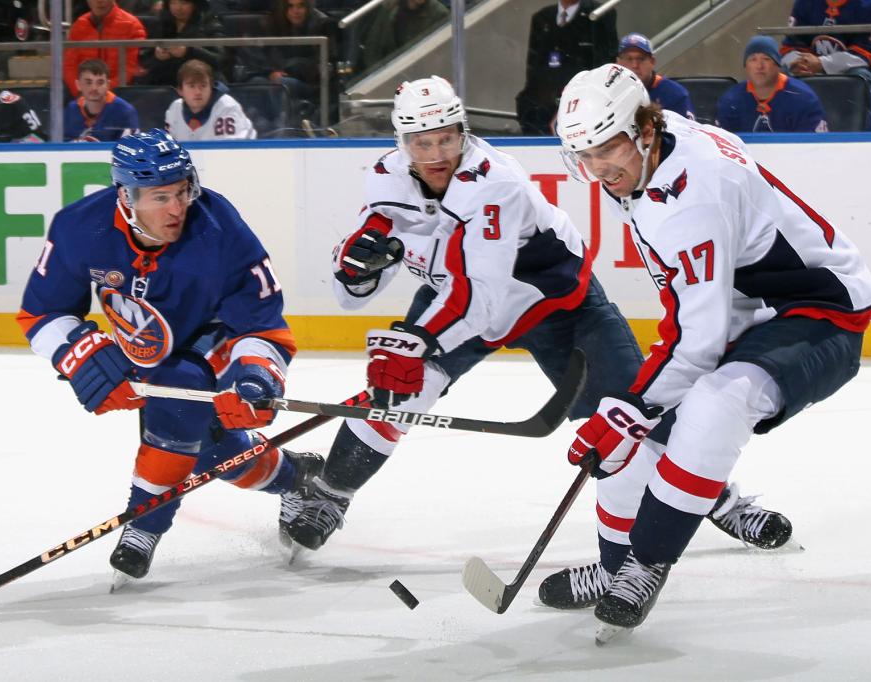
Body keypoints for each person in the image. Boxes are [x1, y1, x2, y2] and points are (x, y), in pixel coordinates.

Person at [281, 76, 795, 570]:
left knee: (634, 413)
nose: (436, 155)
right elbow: (356, 292)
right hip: (457, 300)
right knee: (394, 393)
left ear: (464, 132)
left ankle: (719, 501)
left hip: (558, 308)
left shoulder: (495, 183)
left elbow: (484, 299)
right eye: (421, 143)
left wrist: (417, 341)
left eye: (446, 138)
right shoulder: (385, 177)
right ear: (402, 144)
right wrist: (352, 269)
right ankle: (329, 493)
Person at [550, 63, 871, 642]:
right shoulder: (658, 145)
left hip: (819, 311)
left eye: (607, 147)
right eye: (584, 153)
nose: (598, 167)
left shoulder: (691, 194)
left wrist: (630, 409)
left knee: (710, 404)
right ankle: (613, 568)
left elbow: (698, 340)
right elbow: (696, 318)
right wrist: (634, 413)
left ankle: (646, 563)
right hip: (748, 308)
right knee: (635, 437)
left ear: (643, 131)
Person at [16, 128, 322, 582]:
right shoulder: (82, 228)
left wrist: (255, 378)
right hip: (147, 352)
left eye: (182, 192)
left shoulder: (219, 229)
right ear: (127, 195)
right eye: (161, 197)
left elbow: (263, 324)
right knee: (210, 455)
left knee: (179, 402)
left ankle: (144, 525)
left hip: (213, 337)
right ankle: (293, 475)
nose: (178, 208)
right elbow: (42, 312)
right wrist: (80, 354)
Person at [515, 0, 617, 136]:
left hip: (584, 105)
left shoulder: (599, 14)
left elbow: (605, 67)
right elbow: (534, 69)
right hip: (545, 107)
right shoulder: (541, 17)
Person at [717, 35, 828, 133]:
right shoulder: (730, 100)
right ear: (745, 66)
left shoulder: (804, 98)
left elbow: (816, 146)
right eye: (753, 59)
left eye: (766, 59)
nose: (759, 66)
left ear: (777, 64)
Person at [781, 0, 871, 86]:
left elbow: (867, 54)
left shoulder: (869, 5)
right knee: (783, 72)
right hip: (810, 70)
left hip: (852, 71)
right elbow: (790, 46)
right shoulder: (803, 3)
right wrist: (800, 63)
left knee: (858, 75)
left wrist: (822, 63)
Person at [63, 0, 147, 98]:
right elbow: (69, 66)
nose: (99, 1)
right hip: (82, 94)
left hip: (118, 95)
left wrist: (103, 93)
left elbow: (130, 68)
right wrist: (79, 91)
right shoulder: (79, 25)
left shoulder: (132, 25)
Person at [136, 0, 224, 87]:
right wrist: (157, 56)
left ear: (195, 4)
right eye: (173, 3)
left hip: (199, 79)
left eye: (184, 3)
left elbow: (220, 59)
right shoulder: (160, 23)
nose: (178, 8)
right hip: (165, 79)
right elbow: (144, 59)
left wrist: (189, 51)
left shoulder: (209, 23)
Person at [165, 58, 256, 140]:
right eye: (191, 86)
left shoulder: (226, 107)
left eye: (203, 86)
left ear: (211, 88)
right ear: (180, 90)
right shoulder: (174, 109)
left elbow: (230, 150)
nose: (198, 92)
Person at [615, 32, 694, 120]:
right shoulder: (609, 91)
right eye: (628, 59)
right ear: (618, 62)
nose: (634, 65)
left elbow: (688, 132)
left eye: (641, 59)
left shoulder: (675, 94)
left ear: (652, 62)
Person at [65, 58, 140, 141]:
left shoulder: (125, 111)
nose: (94, 88)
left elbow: (132, 149)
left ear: (108, 85)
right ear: (78, 84)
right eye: (88, 82)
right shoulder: (72, 109)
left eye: (100, 82)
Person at [360, 0, 448, 71]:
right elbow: (373, 45)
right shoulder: (391, 8)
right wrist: (375, 73)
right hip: (387, 72)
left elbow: (440, 56)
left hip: (419, 77)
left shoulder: (439, 13)